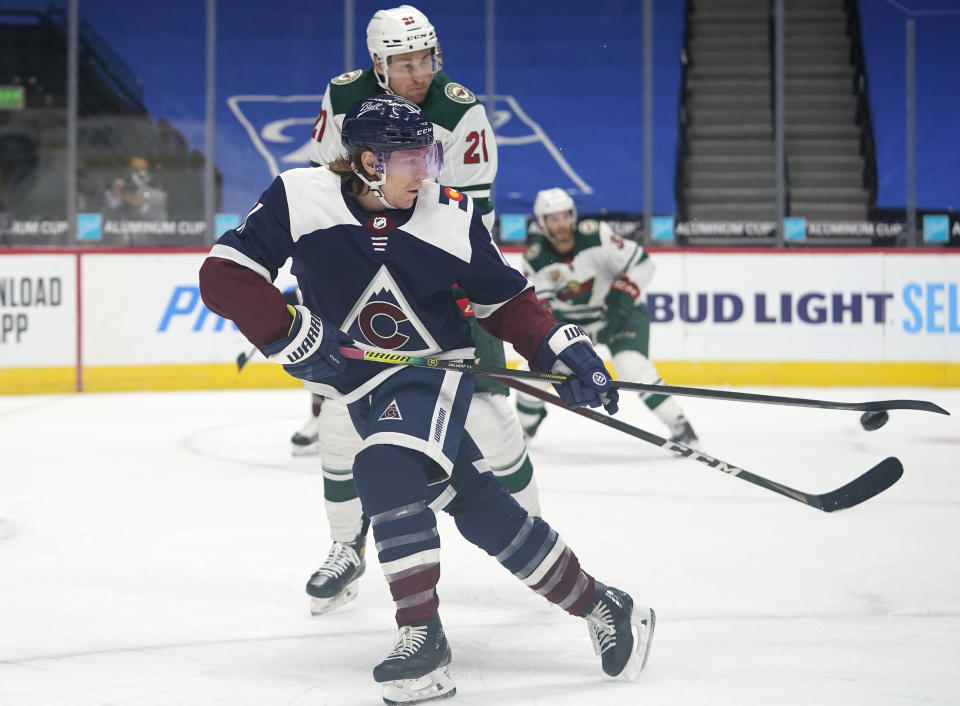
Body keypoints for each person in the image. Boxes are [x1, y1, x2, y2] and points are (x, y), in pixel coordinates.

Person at [199, 95, 654, 703]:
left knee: (380, 466)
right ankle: (606, 604)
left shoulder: (451, 215)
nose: (426, 172)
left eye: (430, 156)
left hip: (431, 374)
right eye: (413, 159)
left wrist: (562, 350)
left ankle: (423, 641)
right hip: (358, 386)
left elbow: (508, 301)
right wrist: (288, 334)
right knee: (485, 512)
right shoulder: (298, 196)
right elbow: (223, 275)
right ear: (366, 162)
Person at [294, 3, 540, 617]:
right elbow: (326, 183)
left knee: (491, 413)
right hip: (361, 276)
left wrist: (460, 282)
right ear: (379, 65)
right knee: (338, 420)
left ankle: (537, 536)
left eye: (426, 58)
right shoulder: (344, 94)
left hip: (437, 275)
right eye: (404, 63)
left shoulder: (459, 109)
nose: (419, 73)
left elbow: (469, 209)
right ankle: (345, 547)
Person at [517, 188, 699, 446]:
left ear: (573, 216)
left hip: (620, 315)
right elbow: (541, 309)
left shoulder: (598, 235)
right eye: (553, 219)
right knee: (531, 370)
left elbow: (643, 264)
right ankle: (524, 428)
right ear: (542, 223)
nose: (562, 225)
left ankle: (681, 425)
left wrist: (623, 298)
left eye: (565, 217)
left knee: (631, 366)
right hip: (573, 327)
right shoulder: (535, 260)